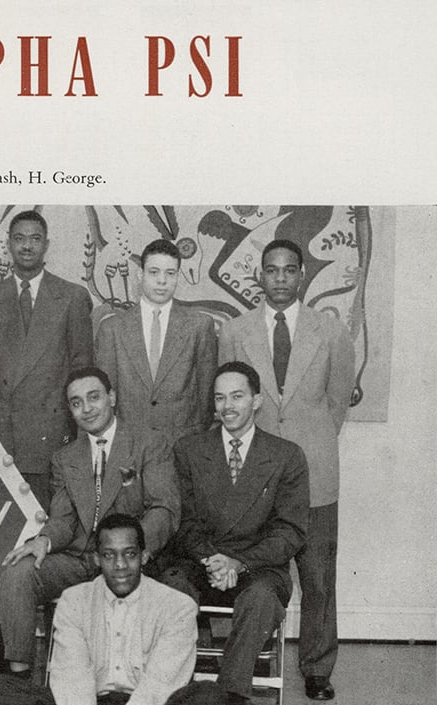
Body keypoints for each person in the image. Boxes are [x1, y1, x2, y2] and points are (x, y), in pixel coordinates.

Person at [218, 239, 354, 701]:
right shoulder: (235, 331)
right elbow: (230, 399)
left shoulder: (331, 333)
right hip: (256, 474)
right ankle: (240, 655)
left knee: (317, 575)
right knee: (258, 571)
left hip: (315, 471)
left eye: (289, 270)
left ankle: (317, 668)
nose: (280, 278)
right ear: (260, 274)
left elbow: (336, 406)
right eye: (271, 270)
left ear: (301, 276)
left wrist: (307, 442)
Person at [0, 367, 180, 678]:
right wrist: (43, 540)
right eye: (76, 403)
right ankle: (19, 681)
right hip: (79, 559)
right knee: (18, 571)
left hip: (128, 559)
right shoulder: (65, 458)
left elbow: (164, 508)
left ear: (112, 397)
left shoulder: (149, 443)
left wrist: (137, 549)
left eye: (94, 398)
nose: (86, 409)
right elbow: (64, 520)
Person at [162, 361, 309, 705]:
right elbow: (184, 521)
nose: (227, 407)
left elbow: (290, 532)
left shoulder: (286, 456)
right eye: (219, 398)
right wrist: (212, 560)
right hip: (201, 562)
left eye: (237, 396)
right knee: (171, 588)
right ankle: (173, 691)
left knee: (260, 599)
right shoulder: (189, 450)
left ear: (257, 401)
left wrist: (238, 562)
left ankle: (229, 697)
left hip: (258, 568)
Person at [0, 514, 197, 705]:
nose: (120, 565)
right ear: (97, 559)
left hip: (149, 701)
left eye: (130, 554)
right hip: (88, 700)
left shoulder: (178, 606)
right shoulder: (74, 601)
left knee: (208, 695)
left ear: (145, 557)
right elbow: (72, 677)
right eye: (109, 555)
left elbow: (161, 685)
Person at [0, 209, 93, 509]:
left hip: (52, 435)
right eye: (19, 239)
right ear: (9, 244)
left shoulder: (72, 297)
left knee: (51, 523)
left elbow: (82, 372)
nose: (27, 246)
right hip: (4, 433)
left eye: (35, 239)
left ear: (47, 245)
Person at [95, 238, 217, 446]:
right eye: (154, 272)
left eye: (170, 273)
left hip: (183, 444)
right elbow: (106, 396)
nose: (162, 281)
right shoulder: (112, 329)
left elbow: (206, 396)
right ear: (140, 275)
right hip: (128, 445)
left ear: (178, 276)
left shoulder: (199, 325)